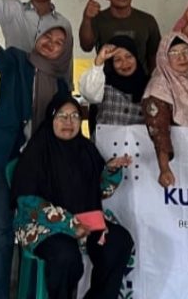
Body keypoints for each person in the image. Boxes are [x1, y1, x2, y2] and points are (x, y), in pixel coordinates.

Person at [0, 21, 73, 299]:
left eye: (59, 43)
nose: (51, 43)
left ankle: (27, 292)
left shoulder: (61, 84)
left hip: (40, 167)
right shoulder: (18, 61)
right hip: (4, 155)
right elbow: (0, 59)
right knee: (0, 233)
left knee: (35, 230)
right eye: (47, 36)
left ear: (64, 52)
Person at [12, 95, 134, 299]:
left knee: (118, 242)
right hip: (42, 226)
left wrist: (111, 170)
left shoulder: (86, 149)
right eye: (62, 116)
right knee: (65, 256)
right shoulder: (37, 151)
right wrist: (69, 224)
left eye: (75, 116)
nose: (68, 122)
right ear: (51, 118)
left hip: (85, 222)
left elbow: (100, 192)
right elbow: (28, 203)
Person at [142, 33, 188, 187]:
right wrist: (164, 168)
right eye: (174, 53)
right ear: (164, 57)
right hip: (177, 160)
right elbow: (159, 130)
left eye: (186, 51)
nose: (182, 57)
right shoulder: (159, 87)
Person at [80, 0, 162, 72]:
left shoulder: (147, 20)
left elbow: (154, 55)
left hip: (141, 81)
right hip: (107, 80)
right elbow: (86, 47)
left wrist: (153, 79)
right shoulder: (98, 19)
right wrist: (87, 19)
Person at [79, 35, 148, 126]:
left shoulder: (150, 86)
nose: (124, 63)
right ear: (111, 62)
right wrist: (99, 60)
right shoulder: (102, 83)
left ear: (136, 57)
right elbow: (89, 94)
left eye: (129, 56)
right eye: (118, 59)